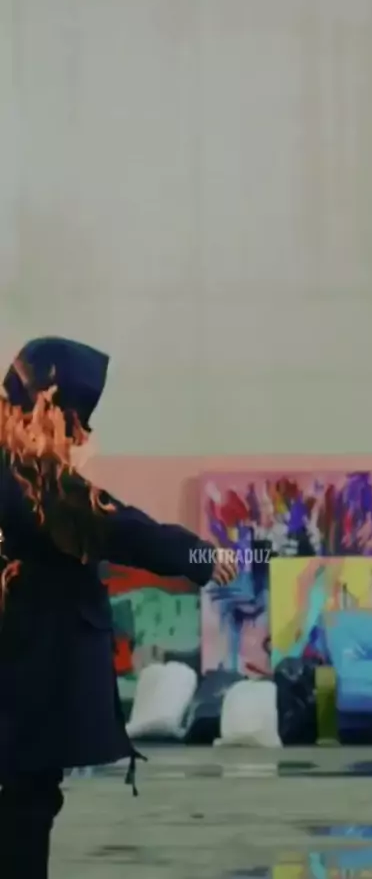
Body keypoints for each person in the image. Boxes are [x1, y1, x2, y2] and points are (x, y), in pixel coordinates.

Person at [0, 336, 237, 879]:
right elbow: (112, 524)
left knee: (23, 796)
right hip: (29, 663)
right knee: (27, 800)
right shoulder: (27, 475)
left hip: (21, 662)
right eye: (78, 416)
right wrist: (198, 554)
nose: (82, 433)